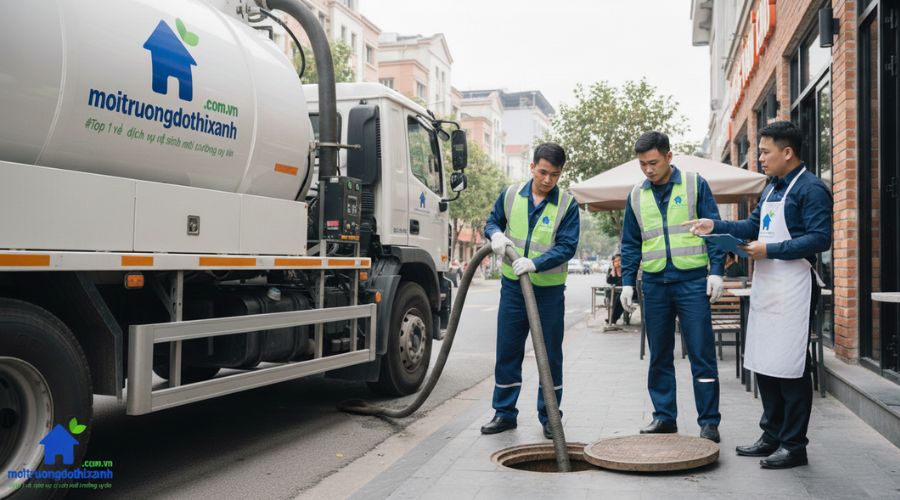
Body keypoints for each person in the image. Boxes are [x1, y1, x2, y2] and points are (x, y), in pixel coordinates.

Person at [687, 120, 832, 469]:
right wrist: (715, 225)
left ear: (787, 152)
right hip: (768, 283)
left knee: (791, 365)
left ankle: (794, 445)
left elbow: (820, 238)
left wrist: (771, 249)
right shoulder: (771, 188)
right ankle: (771, 435)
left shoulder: (812, 189)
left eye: (765, 152)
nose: (761, 159)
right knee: (766, 361)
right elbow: (752, 226)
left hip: (796, 285)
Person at [620, 131, 725, 443]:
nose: (648, 169)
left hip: (692, 282)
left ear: (668, 156)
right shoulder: (636, 195)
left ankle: (709, 422)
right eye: (642, 164)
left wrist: (716, 271)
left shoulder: (695, 184)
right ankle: (664, 417)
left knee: (701, 353)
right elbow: (630, 244)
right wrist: (627, 283)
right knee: (659, 355)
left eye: (653, 162)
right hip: (654, 285)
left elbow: (714, 229)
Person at [481, 142, 579, 440]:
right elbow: (492, 221)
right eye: (543, 172)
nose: (548, 180)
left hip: (548, 292)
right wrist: (495, 234)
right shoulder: (511, 195)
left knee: (549, 355)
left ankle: (550, 415)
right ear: (532, 166)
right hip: (513, 288)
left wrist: (536, 263)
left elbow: (567, 246)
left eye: (555, 174)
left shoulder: (567, 205)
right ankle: (504, 413)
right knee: (508, 350)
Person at [606, 254, 633, 325]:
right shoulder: (611, 270)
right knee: (614, 297)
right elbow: (609, 281)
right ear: (613, 263)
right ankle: (612, 318)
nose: (618, 262)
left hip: (625, 291)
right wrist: (613, 271)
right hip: (615, 292)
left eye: (619, 260)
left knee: (620, 298)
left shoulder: (625, 270)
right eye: (615, 261)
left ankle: (613, 319)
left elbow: (623, 282)